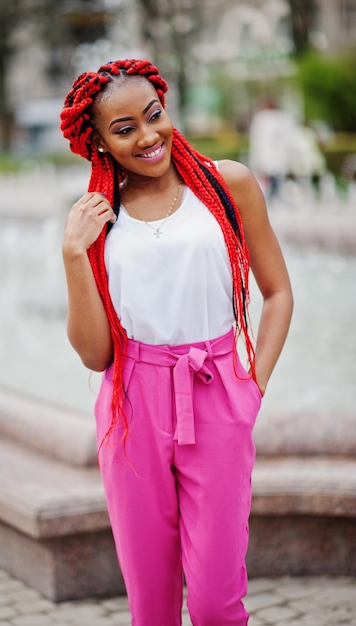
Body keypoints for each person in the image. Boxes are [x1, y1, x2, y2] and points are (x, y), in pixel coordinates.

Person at [60, 59, 293, 626]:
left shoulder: (226, 183)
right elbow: (95, 354)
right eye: (124, 129)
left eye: (153, 116)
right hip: (131, 404)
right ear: (100, 142)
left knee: (216, 605)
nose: (147, 136)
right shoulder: (98, 215)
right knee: (153, 607)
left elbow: (278, 292)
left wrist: (251, 390)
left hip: (215, 390)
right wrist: (72, 254)